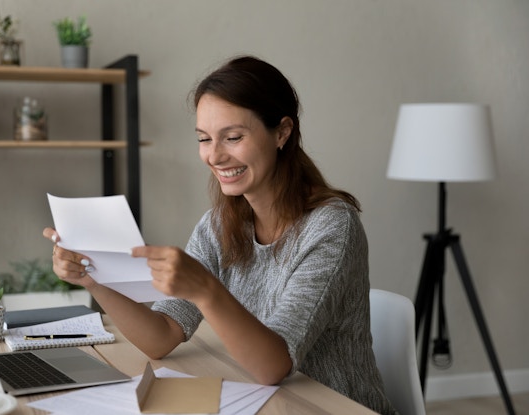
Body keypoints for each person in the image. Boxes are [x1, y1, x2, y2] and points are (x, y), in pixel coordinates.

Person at [44, 56, 396, 415]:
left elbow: (274, 366)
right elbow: (161, 336)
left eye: (233, 137)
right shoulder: (218, 225)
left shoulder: (332, 227)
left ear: (282, 132)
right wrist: (92, 277)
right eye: (204, 139)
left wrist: (205, 289)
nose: (214, 156)